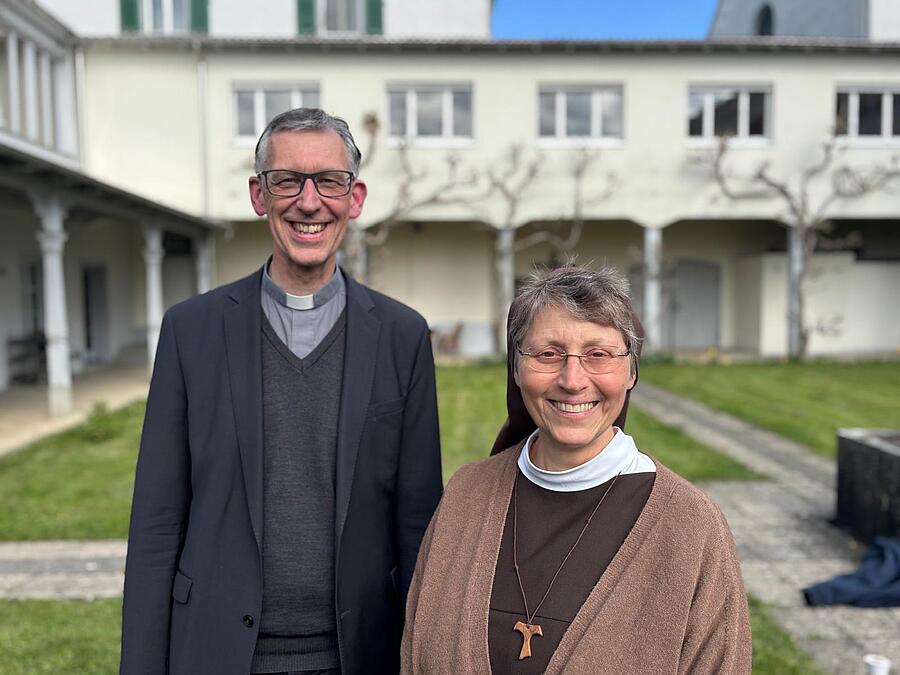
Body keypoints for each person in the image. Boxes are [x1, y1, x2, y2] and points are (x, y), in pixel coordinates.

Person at [121, 108, 443, 675]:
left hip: (360, 653)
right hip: (218, 653)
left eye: (329, 181)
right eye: (287, 180)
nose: (309, 201)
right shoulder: (190, 331)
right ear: (258, 195)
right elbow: (157, 522)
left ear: (356, 197)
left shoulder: (402, 335)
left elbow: (417, 526)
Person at [402, 265, 751, 674]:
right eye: (548, 354)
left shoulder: (691, 526)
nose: (572, 379)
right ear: (515, 370)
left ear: (632, 372)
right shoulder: (466, 494)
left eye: (598, 354)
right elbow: (414, 652)